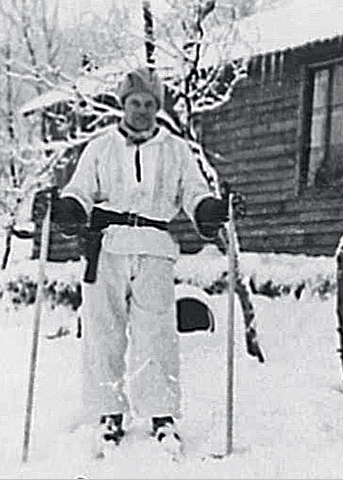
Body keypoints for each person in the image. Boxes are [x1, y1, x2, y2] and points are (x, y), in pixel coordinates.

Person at [50, 67, 237, 456]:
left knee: (157, 333)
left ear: (158, 107)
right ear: (123, 105)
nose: (142, 111)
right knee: (104, 332)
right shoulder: (100, 148)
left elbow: (193, 190)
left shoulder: (175, 149)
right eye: (135, 103)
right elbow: (81, 188)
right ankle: (109, 413)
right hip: (108, 246)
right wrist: (70, 207)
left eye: (150, 104)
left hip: (154, 247)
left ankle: (161, 415)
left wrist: (208, 209)